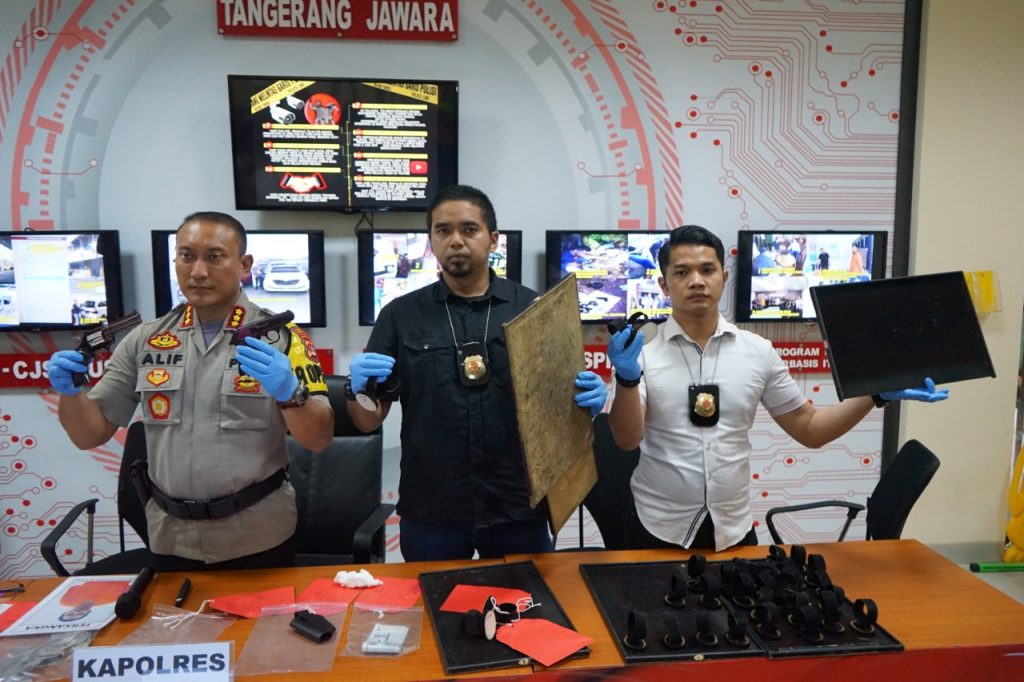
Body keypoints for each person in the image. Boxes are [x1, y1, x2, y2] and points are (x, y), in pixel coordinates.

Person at [606, 225, 948, 552]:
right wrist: (627, 378)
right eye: (682, 272)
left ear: (724, 276)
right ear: (664, 285)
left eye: (707, 270)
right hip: (656, 528)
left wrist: (875, 394)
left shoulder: (758, 352)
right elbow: (627, 439)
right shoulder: (640, 354)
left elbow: (810, 429)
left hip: (733, 530)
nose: (696, 281)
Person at [46, 211, 333, 571]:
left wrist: (291, 392)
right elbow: (89, 434)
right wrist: (71, 392)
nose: (198, 271)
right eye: (187, 256)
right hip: (170, 537)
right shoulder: (145, 339)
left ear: (244, 265)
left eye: (214, 257)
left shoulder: (282, 338)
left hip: (258, 536)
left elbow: (319, 438)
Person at [346, 185, 607, 561]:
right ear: (431, 241)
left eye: (469, 229)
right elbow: (368, 420)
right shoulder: (399, 316)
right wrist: (357, 391)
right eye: (443, 230)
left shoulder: (534, 310)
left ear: (493, 239)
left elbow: (558, 411)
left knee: (525, 598)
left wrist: (585, 405)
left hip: (518, 506)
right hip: (433, 508)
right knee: (433, 600)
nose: (456, 240)